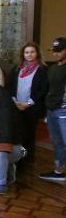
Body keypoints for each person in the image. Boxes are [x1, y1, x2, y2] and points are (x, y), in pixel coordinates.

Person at [7, 42, 48, 163]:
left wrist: (28, 103)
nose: (29, 55)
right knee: (18, 132)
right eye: (26, 52)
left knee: (30, 133)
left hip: (32, 107)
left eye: (32, 52)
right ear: (23, 54)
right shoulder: (17, 68)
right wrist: (15, 102)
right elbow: (10, 86)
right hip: (16, 106)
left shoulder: (42, 69)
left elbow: (43, 89)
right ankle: (18, 157)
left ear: (37, 53)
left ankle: (28, 159)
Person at [39, 37, 66, 182]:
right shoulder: (53, 68)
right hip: (51, 110)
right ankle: (58, 171)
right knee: (57, 142)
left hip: (63, 111)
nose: (55, 54)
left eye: (59, 51)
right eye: (54, 51)